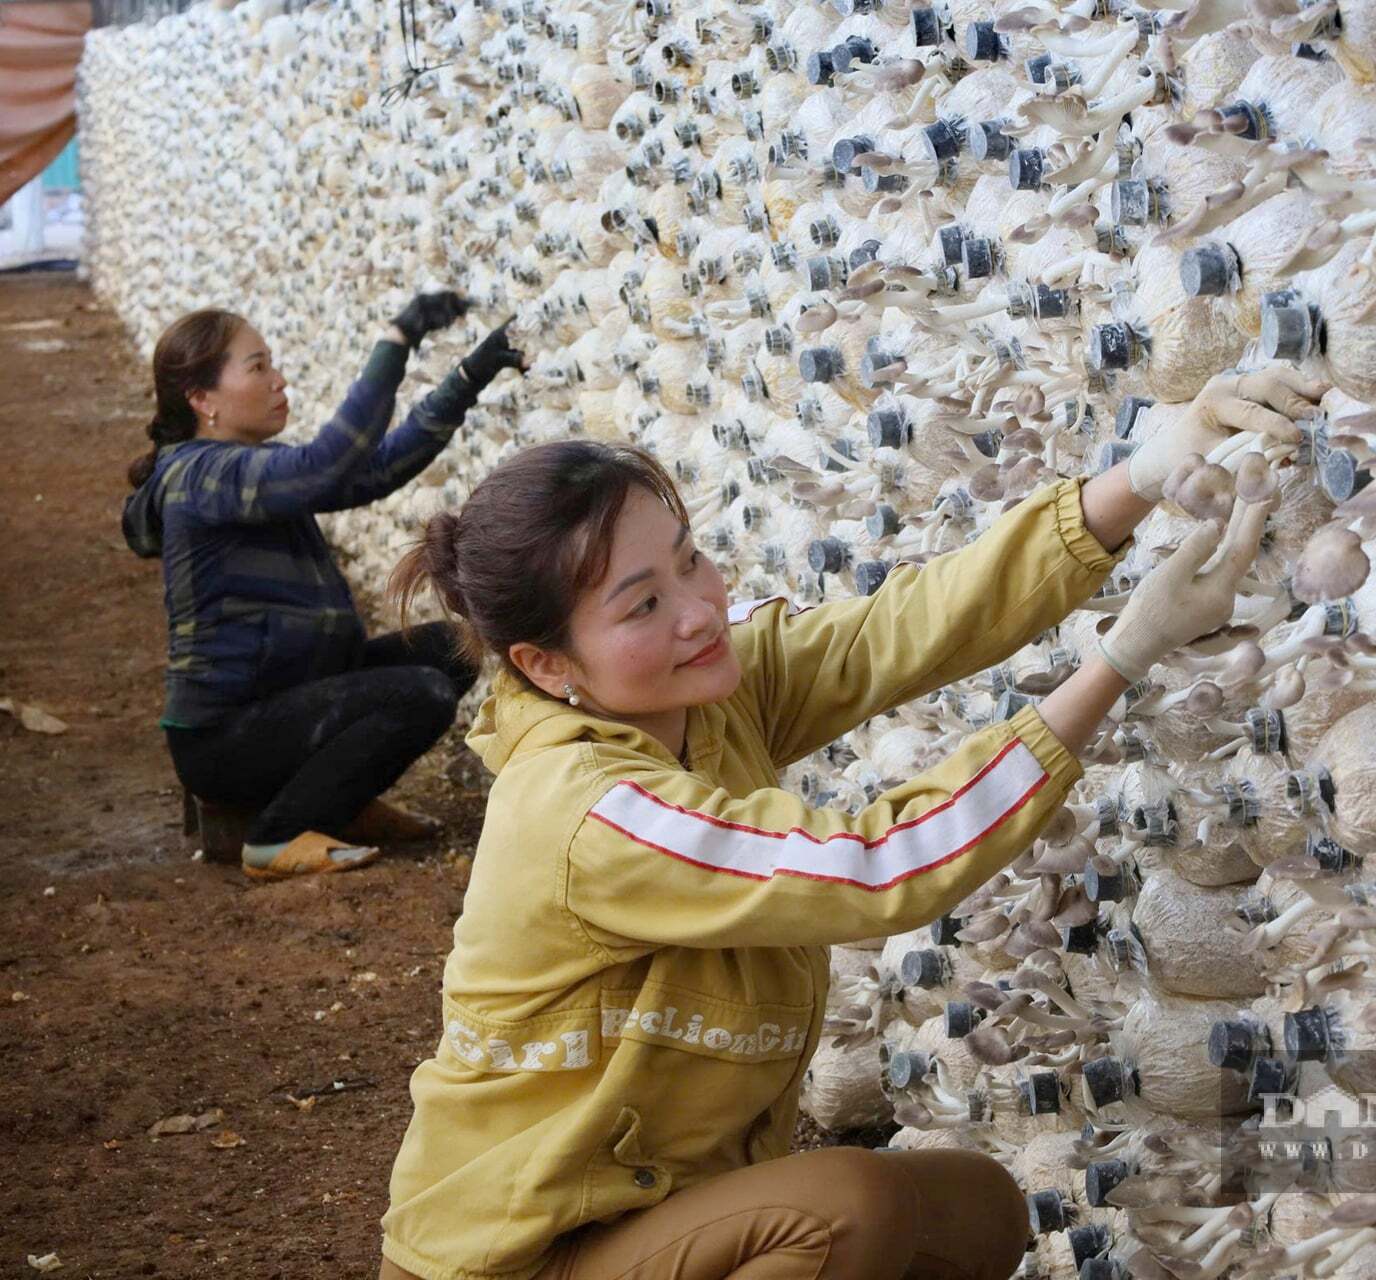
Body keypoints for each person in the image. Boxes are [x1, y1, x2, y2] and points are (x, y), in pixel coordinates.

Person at [374, 367, 1305, 1280]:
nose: (700, 610)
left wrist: (1137, 479)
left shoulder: (702, 700)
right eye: (643, 604)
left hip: (653, 1213)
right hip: (521, 1252)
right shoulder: (588, 813)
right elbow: (876, 865)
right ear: (546, 666)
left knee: (971, 1212)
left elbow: (905, 626)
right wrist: (1121, 656)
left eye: (689, 559)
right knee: (848, 1210)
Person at [121, 292, 526, 880]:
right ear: (202, 398)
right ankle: (275, 837)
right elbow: (327, 462)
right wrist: (396, 341)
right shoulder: (199, 477)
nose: (279, 381)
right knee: (419, 694)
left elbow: (378, 467)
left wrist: (468, 376)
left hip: (293, 693)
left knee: (452, 649)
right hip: (227, 736)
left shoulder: (248, 469)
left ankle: (336, 804)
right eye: (258, 367)